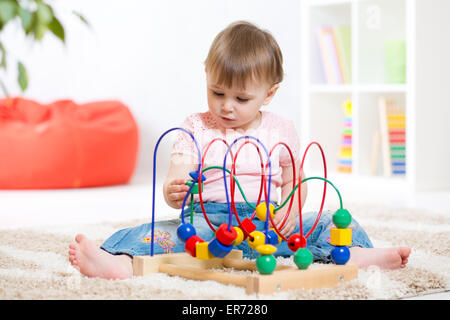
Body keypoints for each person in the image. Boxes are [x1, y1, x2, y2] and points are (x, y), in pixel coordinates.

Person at [68, 21, 410, 280]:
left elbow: (295, 178)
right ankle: (121, 264)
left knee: (325, 221)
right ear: (207, 76)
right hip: (209, 224)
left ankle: (355, 256)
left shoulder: (281, 130)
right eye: (217, 93)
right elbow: (178, 175)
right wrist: (173, 190)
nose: (227, 107)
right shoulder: (196, 126)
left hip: (268, 225)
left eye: (241, 99)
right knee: (161, 232)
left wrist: (291, 206)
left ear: (269, 94)